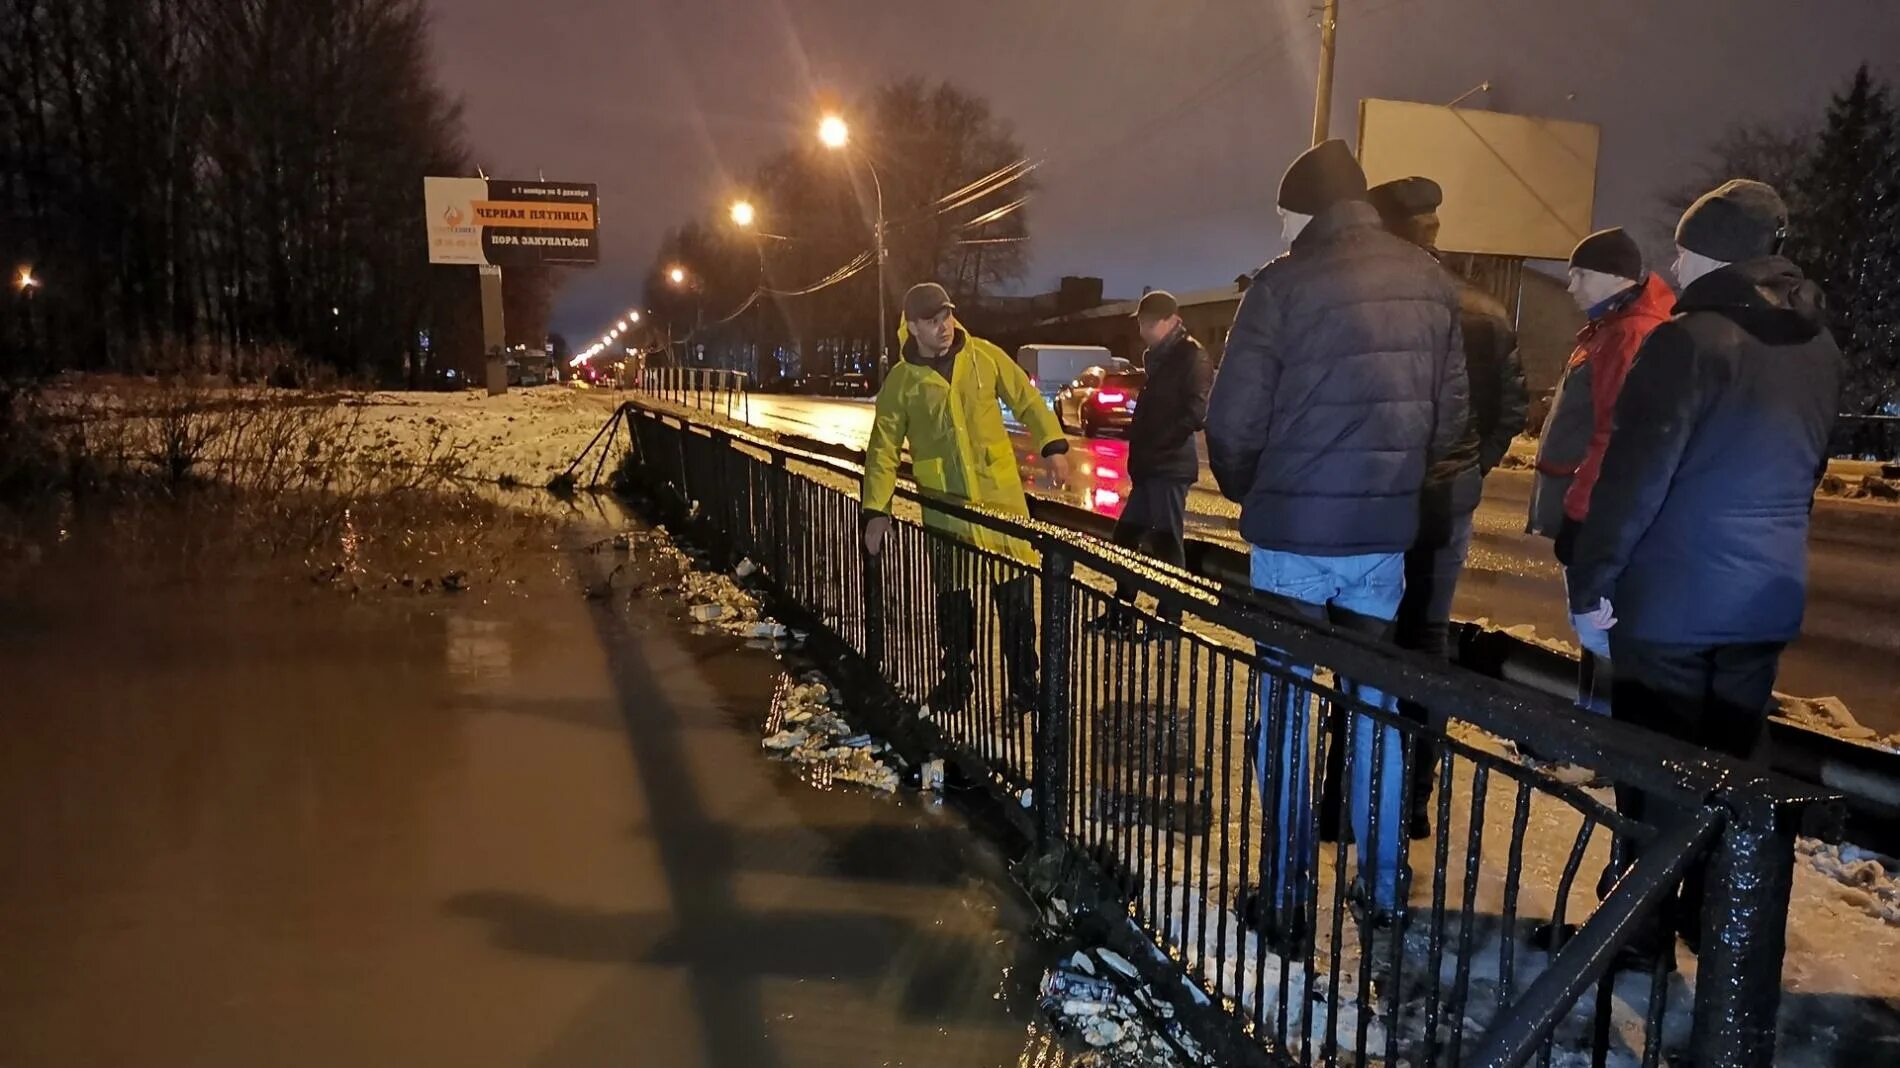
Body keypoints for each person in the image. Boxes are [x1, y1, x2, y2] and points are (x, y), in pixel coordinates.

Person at [1569, 180, 1840, 957]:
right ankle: (1721, 926)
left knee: (1654, 774)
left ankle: (1640, 929)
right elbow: (1808, 468)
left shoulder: (1688, 340)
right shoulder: (1820, 346)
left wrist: (1593, 585)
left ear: (1709, 252)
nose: (1675, 266)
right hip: (1763, 597)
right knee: (1734, 769)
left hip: (1672, 603)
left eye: (1683, 251)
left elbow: (1634, 479)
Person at [1205, 139, 1468, 942]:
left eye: (1285, 214)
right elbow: (1450, 418)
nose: (1281, 229)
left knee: (1284, 709)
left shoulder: (1280, 288)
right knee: (1376, 710)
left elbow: (1233, 424)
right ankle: (1381, 889)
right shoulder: (1431, 282)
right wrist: (1391, 487)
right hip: (1381, 540)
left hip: (1292, 537)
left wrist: (1261, 491)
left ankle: (1286, 897)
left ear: (1305, 211)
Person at [1364, 176, 1529, 837]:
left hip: (1383, 493)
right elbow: (1510, 408)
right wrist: (1467, 467)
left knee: (1366, 640)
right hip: (1447, 500)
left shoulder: (1382, 303)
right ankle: (1414, 802)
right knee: (1426, 642)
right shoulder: (1483, 308)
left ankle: (1354, 796)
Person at [861, 282, 1071, 716]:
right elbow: (882, 450)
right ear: (913, 327)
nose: (944, 326)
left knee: (1015, 602)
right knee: (954, 607)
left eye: (947, 316)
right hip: (948, 511)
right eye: (933, 320)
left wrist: (1053, 446)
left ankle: (1025, 685)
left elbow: (1028, 400)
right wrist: (876, 510)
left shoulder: (984, 356)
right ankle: (957, 679)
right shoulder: (902, 382)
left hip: (1001, 508)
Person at [1528, 227, 1675, 712]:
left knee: (1599, 626)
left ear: (1613, 277)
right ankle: (1592, 733)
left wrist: (1580, 516)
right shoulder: (1611, 327)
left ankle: (1599, 742)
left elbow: (1614, 438)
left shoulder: (1631, 333)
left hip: (1595, 508)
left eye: (1580, 275)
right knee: (1596, 626)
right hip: (1588, 501)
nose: (1571, 286)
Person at [1088, 290, 1212, 639]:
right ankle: (1121, 612)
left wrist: (1160, 442)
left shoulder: (1190, 356)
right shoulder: (1160, 356)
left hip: (1170, 466)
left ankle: (1170, 621)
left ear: (1170, 320)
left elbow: (1195, 413)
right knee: (1126, 536)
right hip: (1150, 465)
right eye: (1141, 322)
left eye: (1147, 322)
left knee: (1166, 542)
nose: (1142, 328)